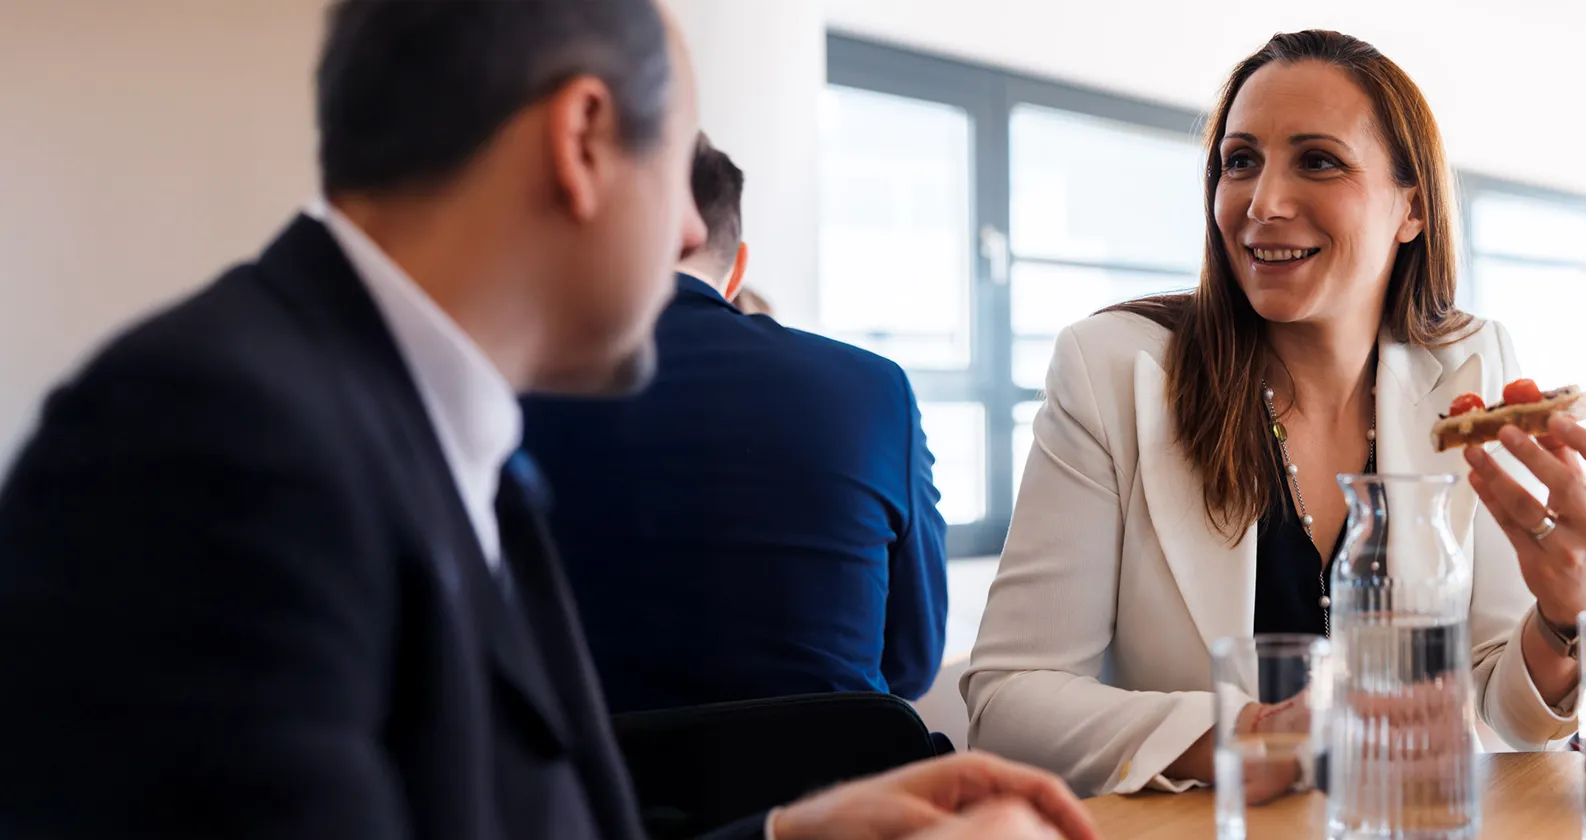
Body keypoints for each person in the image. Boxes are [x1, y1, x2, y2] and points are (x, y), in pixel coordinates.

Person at [0, 2, 1090, 839]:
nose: (681, 236)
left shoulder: (444, 435)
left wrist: (789, 831)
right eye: (675, 178)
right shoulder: (207, 449)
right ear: (583, 140)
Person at [961, 29, 1586, 797]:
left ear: (1412, 208)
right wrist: (1251, 737)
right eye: (1239, 162)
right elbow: (1009, 701)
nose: (1262, 202)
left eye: (1318, 161)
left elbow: (1500, 716)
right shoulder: (1110, 370)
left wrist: (1567, 614)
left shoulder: (1472, 369)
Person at [519, 136, 947, 713]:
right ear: (738, 266)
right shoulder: (874, 389)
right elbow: (913, 661)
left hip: (589, 796)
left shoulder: (516, 390)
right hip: (843, 788)